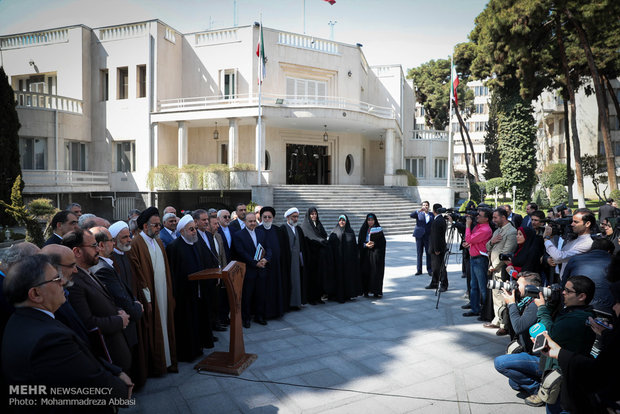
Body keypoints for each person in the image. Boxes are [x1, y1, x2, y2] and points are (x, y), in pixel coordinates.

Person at [2, 255, 133, 410]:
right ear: (35, 294)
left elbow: (84, 354)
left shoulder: (25, 320)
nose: (63, 282)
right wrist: (120, 389)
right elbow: (89, 382)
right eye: (56, 279)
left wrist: (115, 371)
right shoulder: (49, 340)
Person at [541, 280, 620, 413]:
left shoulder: (577, 318)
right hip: (559, 369)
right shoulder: (570, 310)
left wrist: (542, 308)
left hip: (567, 376)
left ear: (582, 296)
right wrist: (606, 334)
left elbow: (548, 332)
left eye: (568, 291)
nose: (563, 293)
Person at [63, 228, 132, 372]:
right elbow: (88, 324)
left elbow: (104, 302)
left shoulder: (87, 271)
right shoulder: (74, 283)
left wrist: (118, 311)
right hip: (107, 360)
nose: (97, 249)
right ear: (77, 251)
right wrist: (119, 320)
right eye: (93, 246)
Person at [126, 207, 178, 375]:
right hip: (151, 296)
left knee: (166, 326)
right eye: (155, 225)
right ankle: (158, 365)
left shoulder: (158, 241)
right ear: (145, 226)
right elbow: (139, 275)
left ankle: (168, 361)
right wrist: (147, 298)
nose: (158, 229)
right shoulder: (136, 244)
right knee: (155, 328)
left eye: (158, 225)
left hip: (163, 292)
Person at [90, 226, 144, 376]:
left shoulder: (107, 263)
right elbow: (120, 298)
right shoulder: (102, 268)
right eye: (111, 241)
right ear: (101, 245)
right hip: (122, 324)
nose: (113, 244)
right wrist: (137, 308)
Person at [166, 215, 214, 361]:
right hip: (184, 294)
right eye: (191, 229)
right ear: (182, 231)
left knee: (199, 320)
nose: (194, 232)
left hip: (199, 291)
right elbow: (172, 273)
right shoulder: (174, 247)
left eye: (195, 229)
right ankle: (188, 353)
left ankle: (199, 348)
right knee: (187, 323)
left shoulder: (197, 243)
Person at [108, 220, 148, 388]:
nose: (129, 240)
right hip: (124, 313)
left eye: (129, 236)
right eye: (124, 237)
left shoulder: (127, 255)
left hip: (134, 307)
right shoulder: (111, 260)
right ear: (114, 240)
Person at [493, 273, 542, 397]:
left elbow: (519, 327)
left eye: (518, 285)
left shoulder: (535, 305)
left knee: (500, 363)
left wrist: (511, 304)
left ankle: (539, 391)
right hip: (530, 352)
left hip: (541, 359)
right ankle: (539, 382)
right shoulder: (525, 301)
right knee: (514, 383)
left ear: (529, 288)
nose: (515, 286)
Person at [232, 212, 271, 328]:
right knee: (247, 296)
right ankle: (246, 319)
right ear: (245, 222)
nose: (253, 223)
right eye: (250, 221)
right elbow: (241, 252)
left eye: (254, 221)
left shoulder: (261, 233)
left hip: (261, 270)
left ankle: (259, 316)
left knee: (261, 294)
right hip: (248, 271)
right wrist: (255, 263)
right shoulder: (238, 235)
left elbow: (268, 248)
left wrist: (266, 259)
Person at [484, 207, 517, 335]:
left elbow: (506, 253)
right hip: (493, 267)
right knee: (496, 295)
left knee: (503, 296)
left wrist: (495, 266)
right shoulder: (497, 230)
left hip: (502, 268)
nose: (493, 220)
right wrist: (492, 241)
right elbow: (487, 246)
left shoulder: (511, 232)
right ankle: (497, 320)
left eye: (495, 217)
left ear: (503, 217)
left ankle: (505, 325)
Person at [562, 238, 614, 315]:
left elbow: (564, 283)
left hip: (576, 308)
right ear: (609, 251)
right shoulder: (615, 263)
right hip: (605, 310)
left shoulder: (575, 259)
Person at [543, 208, 595, 281]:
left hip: (575, 285)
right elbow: (556, 258)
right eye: (572, 221)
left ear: (587, 224)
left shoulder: (587, 243)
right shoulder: (574, 239)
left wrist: (546, 238)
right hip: (565, 282)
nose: (572, 224)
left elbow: (559, 257)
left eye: (575, 222)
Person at [256, 206, 286, 319]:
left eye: (269, 217)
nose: (267, 219)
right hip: (263, 266)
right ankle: (264, 314)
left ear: (273, 218)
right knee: (264, 291)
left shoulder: (278, 230)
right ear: (261, 218)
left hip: (276, 266)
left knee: (276, 289)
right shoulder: (258, 231)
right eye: (265, 217)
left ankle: (276, 312)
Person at [462, 209, 493, 317]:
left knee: (482, 287)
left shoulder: (485, 229)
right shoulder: (478, 226)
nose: (477, 217)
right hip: (473, 258)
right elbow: (472, 241)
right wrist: (469, 244)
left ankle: (485, 311)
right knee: (473, 285)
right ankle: (475, 308)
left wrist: (467, 225)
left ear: (486, 219)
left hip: (480, 260)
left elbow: (469, 237)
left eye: (480, 215)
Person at [327, 215, 361, 303]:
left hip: (348, 262)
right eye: (340, 220)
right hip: (338, 261)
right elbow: (330, 245)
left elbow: (354, 246)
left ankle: (348, 295)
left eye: (343, 220)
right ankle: (339, 296)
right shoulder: (334, 232)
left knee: (347, 278)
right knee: (338, 278)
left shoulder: (350, 231)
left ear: (346, 221)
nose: (342, 222)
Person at [299, 207, 330, 304]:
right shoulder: (305, 226)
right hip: (311, 256)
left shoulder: (319, 224)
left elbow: (324, 235)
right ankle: (311, 298)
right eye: (312, 214)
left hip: (320, 257)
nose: (314, 216)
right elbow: (310, 238)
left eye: (315, 214)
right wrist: (320, 241)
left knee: (320, 277)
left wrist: (322, 241)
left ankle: (318, 297)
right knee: (312, 278)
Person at [279, 207, 308, 310]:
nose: (295, 219)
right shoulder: (282, 229)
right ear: (288, 217)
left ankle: (297, 302)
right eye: (293, 217)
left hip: (298, 261)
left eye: (297, 217)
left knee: (298, 280)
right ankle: (289, 304)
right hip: (288, 261)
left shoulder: (298, 229)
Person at [358, 213, 386, 298]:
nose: (370, 222)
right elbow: (359, 242)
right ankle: (366, 291)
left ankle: (376, 291)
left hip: (375, 253)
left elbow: (383, 243)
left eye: (372, 220)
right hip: (366, 253)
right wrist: (365, 245)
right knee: (366, 272)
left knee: (376, 272)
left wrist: (375, 243)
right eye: (369, 220)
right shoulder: (363, 229)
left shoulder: (378, 229)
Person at [426, 203, 448, 292]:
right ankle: (434, 282)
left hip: (437, 248)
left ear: (434, 210)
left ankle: (444, 284)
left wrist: (436, 249)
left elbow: (436, 236)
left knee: (440, 267)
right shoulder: (440, 219)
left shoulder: (438, 220)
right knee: (435, 267)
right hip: (437, 247)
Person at [410, 201, 434, 276]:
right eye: (424, 205)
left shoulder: (431, 214)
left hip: (428, 236)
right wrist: (418, 211)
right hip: (419, 236)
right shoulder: (418, 213)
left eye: (426, 205)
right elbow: (411, 215)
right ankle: (419, 270)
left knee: (428, 253)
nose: (425, 206)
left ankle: (429, 269)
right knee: (419, 253)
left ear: (428, 206)